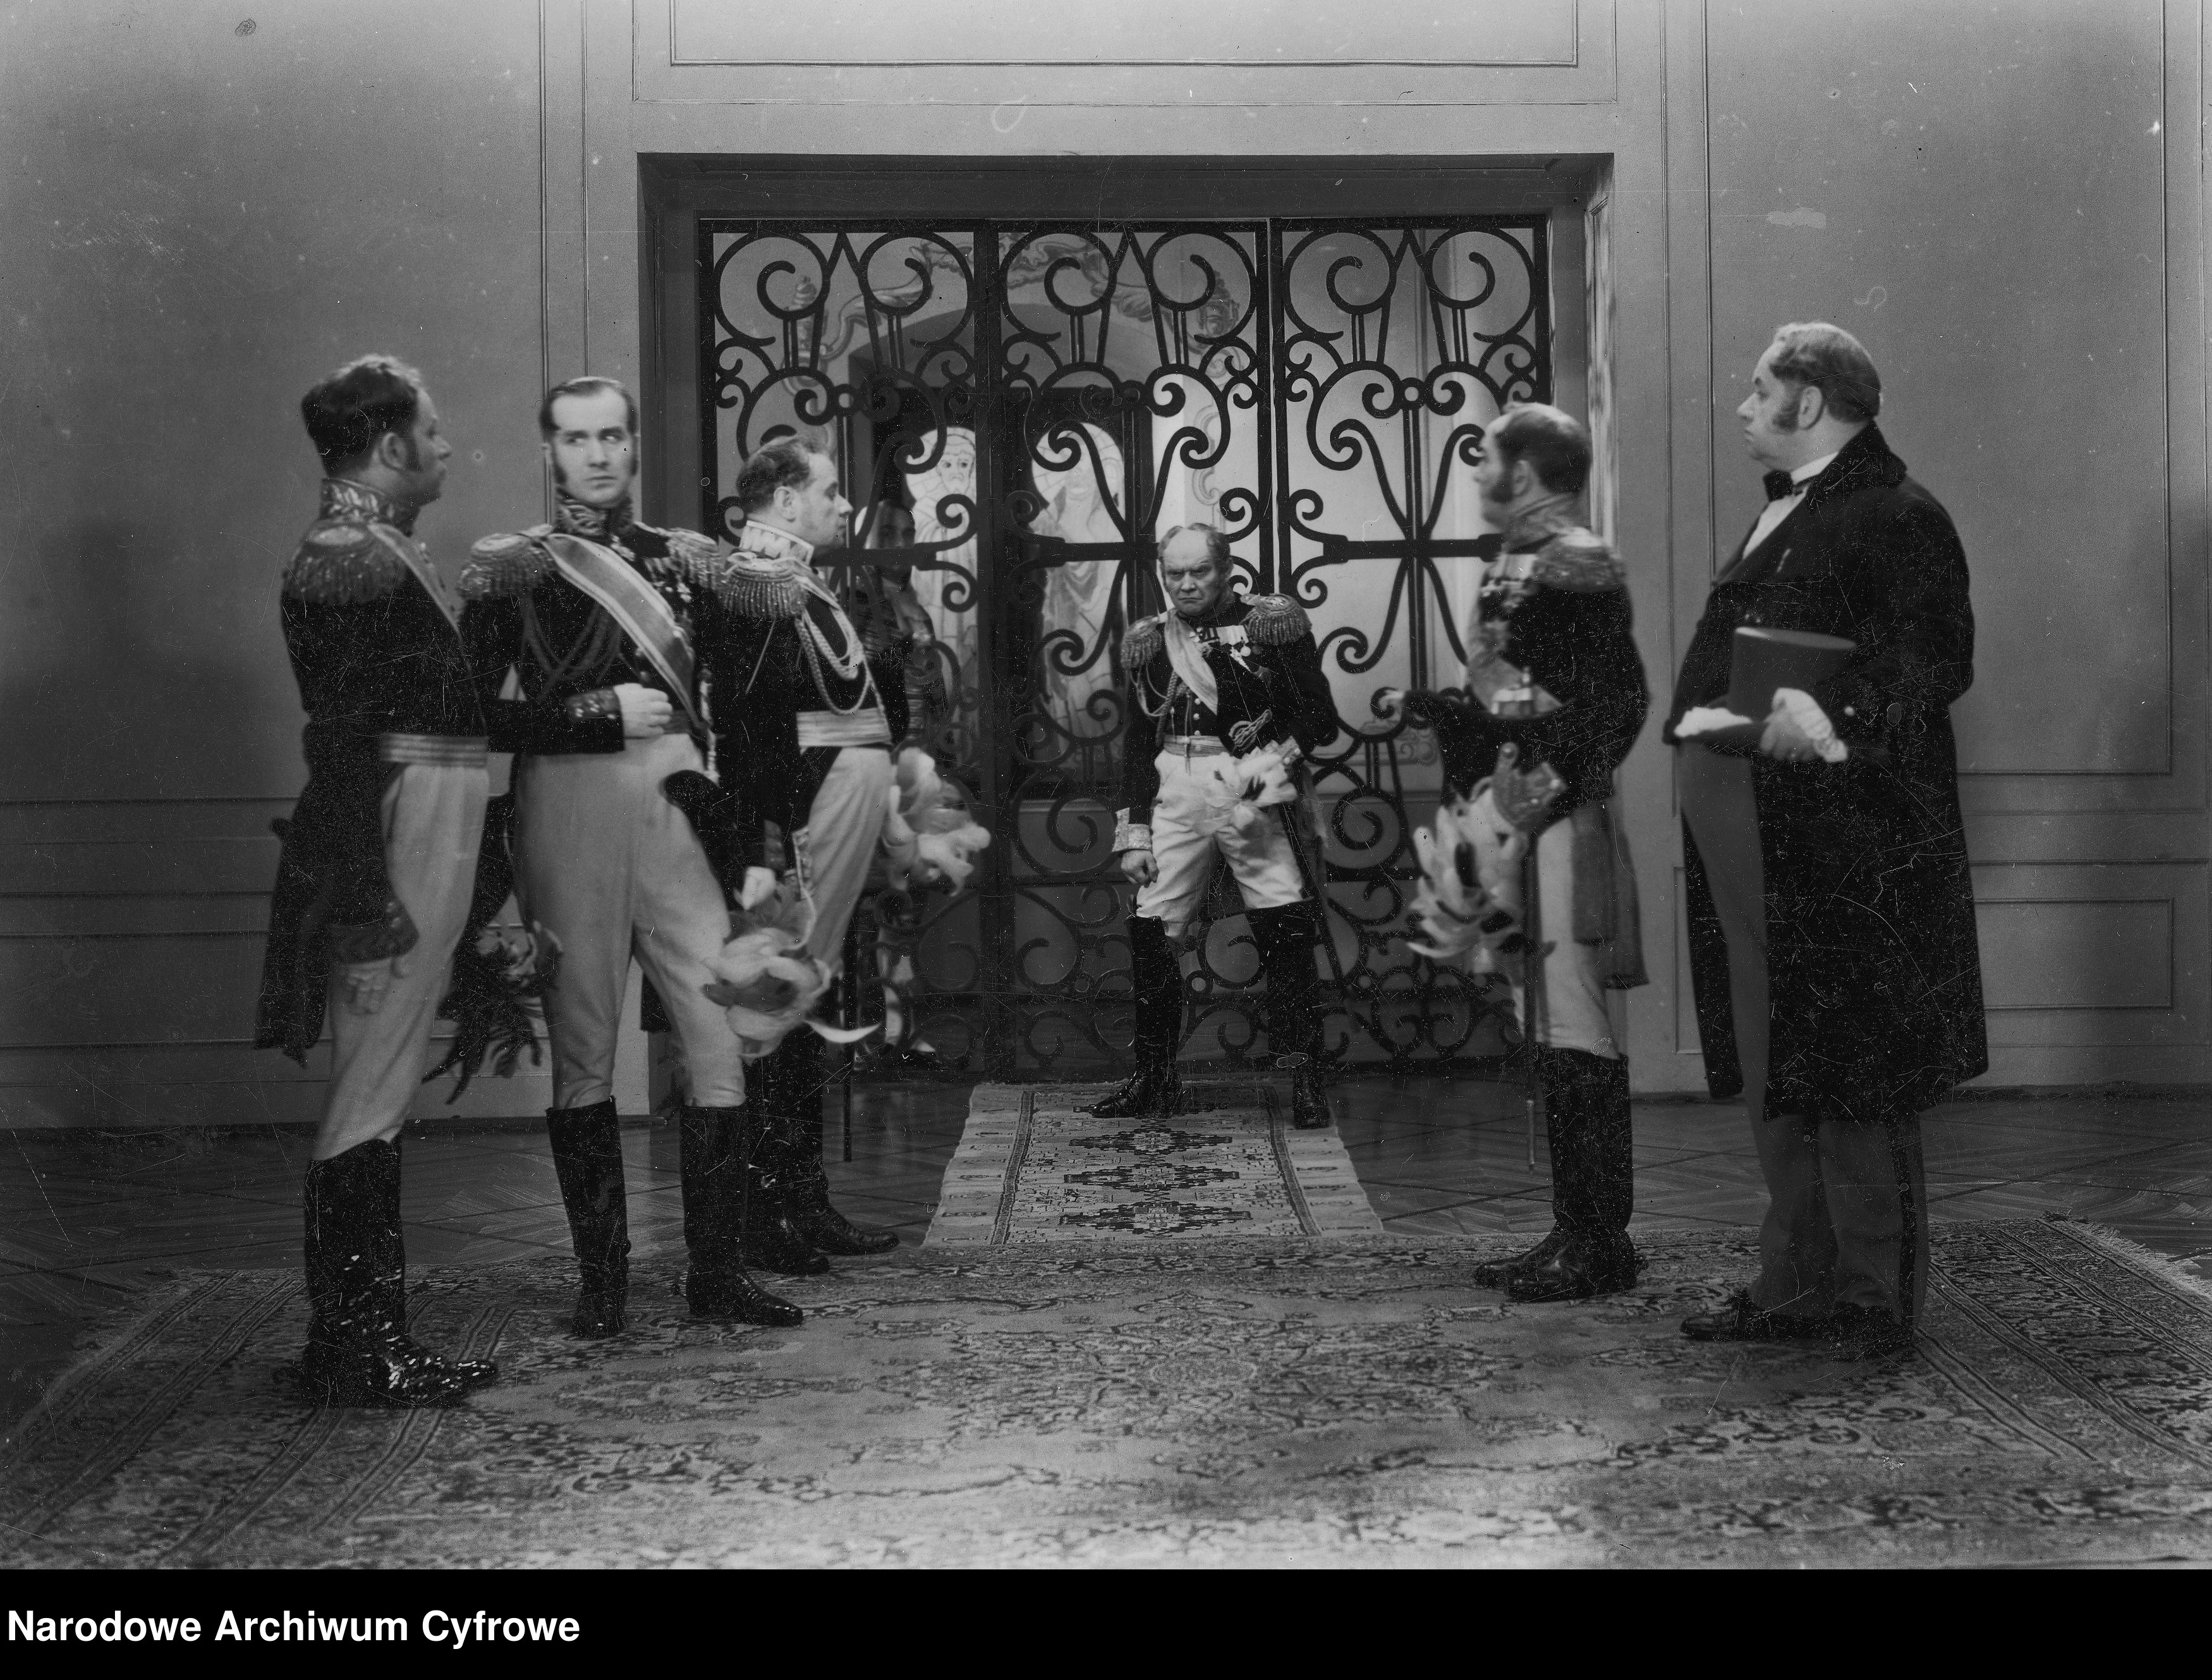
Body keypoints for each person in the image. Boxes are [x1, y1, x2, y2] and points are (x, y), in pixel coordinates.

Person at [258, 355, 626, 1404]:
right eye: (432, 429)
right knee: (372, 1079)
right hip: (395, 837)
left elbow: (443, 718)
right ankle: (358, 1344)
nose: (449, 444)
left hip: (427, 829)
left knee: (379, 1078)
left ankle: (359, 1337)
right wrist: (366, 893)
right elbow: (343, 742)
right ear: (390, 446)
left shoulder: (379, 551)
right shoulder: (347, 558)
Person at [1668, 323, 1985, 1360]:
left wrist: (1833, 711)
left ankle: (1869, 1298)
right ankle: (1796, 1281)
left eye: (1761, 388)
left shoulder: (1898, 510)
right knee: (1780, 1058)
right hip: (1755, 820)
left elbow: (1934, 657)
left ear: (1809, 401)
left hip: (1840, 840)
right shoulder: (1796, 507)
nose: (1744, 404)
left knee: (1854, 1065)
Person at [461, 377, 801, 1333]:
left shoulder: (689, 563)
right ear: (550, 452)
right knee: (584, 1049)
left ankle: (716, 1276)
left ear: (635, 444)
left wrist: (756, 839)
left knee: (721, 1034)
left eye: (612, 435)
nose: (598, 454)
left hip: (679, 815)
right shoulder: (514, 571)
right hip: (566, 813)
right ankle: (601, 1284)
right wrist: (587, 713)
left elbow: (744, 713)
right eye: (577, 439)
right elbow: (468, 713)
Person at [1388, 401, 1650, 1302]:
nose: (1477, 473)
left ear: (1526, 473)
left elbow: (1615, 704)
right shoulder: (1522, 558)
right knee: (1544, 1022)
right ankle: (1573, 1231)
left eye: (1486, 458)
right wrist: (1441, 711)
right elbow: (1519, 696)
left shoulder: (1575, 561)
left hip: (1554, 820)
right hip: (1514, 809)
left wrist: (1546, 787)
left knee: (1571, 1024)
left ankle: (1600, 1242)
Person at [700, 439, 909, 1275]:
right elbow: (745, 731)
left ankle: (805, 1200)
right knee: (779, 1005)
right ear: (785, 500)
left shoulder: (801, 584)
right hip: (799, 822)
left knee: (806, 1001)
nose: (844, 504)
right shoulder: (753, 586)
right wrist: (765, 838)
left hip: (834, 814)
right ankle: (768, 1212)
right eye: (829, 489)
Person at [1091, 523, 1339, 1128]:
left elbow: (1318, 717)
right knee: (1152, 930)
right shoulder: (1152, 641)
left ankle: (1304, 1078)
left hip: (1251, 787)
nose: (1186, 584)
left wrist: (1270, 767)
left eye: (1198, 571)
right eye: (1174, 574)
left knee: (1284, 930)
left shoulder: (1270, 624)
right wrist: (1135, 834)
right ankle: (1154, 1079)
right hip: (1177, 785)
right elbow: (1137, 745)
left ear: (1226, 570)